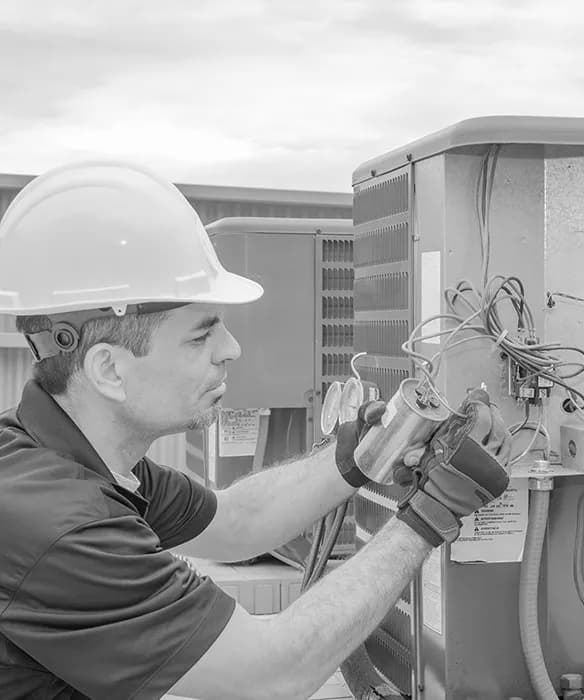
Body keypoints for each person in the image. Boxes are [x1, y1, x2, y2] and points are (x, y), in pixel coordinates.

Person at [0, 162, 513, 700]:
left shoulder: (84, 461)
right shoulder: (58, 523)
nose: (231, 349)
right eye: (201, 338)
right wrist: (433, 513)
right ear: (108, 370)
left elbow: (237, 521)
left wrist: (361, 455)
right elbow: (269, 674)